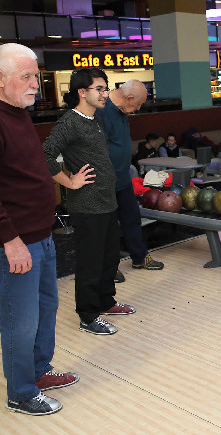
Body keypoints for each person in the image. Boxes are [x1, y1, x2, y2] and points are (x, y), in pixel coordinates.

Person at [0, 43, 78, 416]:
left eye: (37, 75)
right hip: (16, 242)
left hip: (41, 234)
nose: (36, 84)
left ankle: (39, 370)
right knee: (20, 318)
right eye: (27, 77)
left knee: (47, 307)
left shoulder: (18, 114)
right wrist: (9, 240)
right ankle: (21, 392)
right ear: (1, 80)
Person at [43, 68, 135, 336]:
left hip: (107, 201)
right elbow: (46, 154)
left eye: (106, 88)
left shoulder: (95, 120)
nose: (105, 94)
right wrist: (69, 182)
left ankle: (105, 301)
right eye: (99, 89)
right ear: (82, 92)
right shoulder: (69, 122)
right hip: (87, 205)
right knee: (90, 262)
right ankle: (88, 315)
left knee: (109, 257)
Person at [95, 79, 164, 281]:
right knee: (107, 227)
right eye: (139, 103)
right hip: (104, 179)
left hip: (122, 176)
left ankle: (139, 257)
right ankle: (108, 268)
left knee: (131, 218)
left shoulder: (123, 109)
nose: (139, 108)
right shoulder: (101, 108)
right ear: (129, 97)